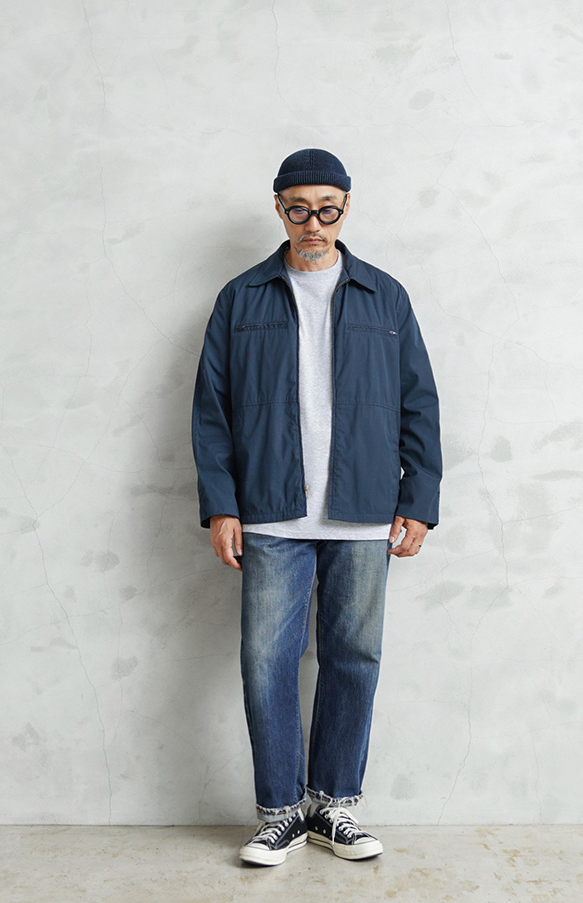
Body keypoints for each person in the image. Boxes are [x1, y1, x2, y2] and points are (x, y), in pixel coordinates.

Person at [192, 148, 441, 866]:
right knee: (265, 660)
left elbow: (419, 403)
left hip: (364, 509)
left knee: (354, 657)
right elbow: (211, 411)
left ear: (346, 209)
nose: (313, 223)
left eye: (327, 209)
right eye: (299, 209)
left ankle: (334, 806)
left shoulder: (385, 297)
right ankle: (280, 813)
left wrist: (419, 500)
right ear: (279, 209)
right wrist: (221, 505)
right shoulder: (241, 297)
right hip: (270, 511)